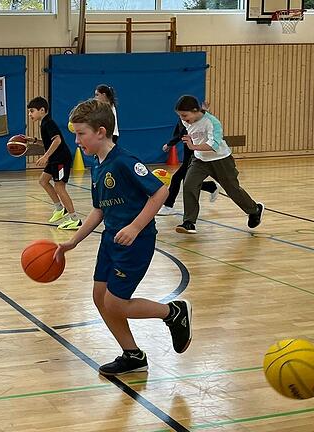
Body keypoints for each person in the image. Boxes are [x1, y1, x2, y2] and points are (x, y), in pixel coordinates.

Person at [55, 98, 192, 376]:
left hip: (135, 242)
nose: (77, 140)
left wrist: (135, 227)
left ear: (101, 131)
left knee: (115, 302)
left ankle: (173, 313)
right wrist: (74, 241)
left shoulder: (125, 161)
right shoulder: (97, 164)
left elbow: (160, 192)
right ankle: (133, 355)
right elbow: (98, 210)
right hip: (110, 240)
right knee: (99, 296)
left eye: (81, 134)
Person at [174, 95, 263, 234]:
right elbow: (195, 125)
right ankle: (189, 222)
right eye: (180, 116)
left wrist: (192, 147)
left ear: (194, 110)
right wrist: (202, 112)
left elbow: (213, 145)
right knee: (189, 185)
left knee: (233, 189)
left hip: (220, 159)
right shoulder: (188, 120)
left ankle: (255, 210)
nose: (183, 119)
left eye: (185, 115)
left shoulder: (213, 122)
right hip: (200, 160)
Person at [26, 96, 81, 230]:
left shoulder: (48, 123)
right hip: (55, 159)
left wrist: (45, 156)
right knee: (43, 181)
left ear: (42, 110)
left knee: (59, 187)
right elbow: (48, 142)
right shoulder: (44, 123)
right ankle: (59, 208)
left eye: (32, 111)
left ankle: (75, 219)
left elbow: (57, 141)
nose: (29, 114)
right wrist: (33, 140)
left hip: (61, 159)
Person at [157, 119, 219, 216]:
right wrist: (170, 143)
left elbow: (183, 133)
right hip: (188, 149)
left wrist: (170, 143)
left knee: (177, 178)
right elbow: (179, 133)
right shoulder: (181, 118)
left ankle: (168, 206)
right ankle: (211, 186)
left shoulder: (194, 118)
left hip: (195, 149)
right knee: (187, 179)